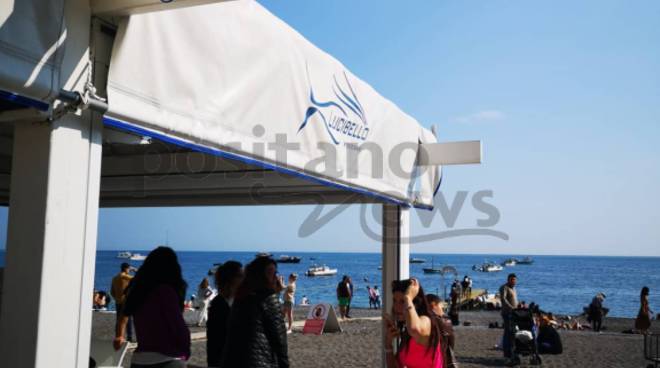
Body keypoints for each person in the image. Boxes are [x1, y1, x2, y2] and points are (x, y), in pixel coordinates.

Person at [113, 247, 190, 368]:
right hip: (168, 358)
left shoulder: (137, 290)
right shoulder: (165, 291)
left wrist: (119, 335)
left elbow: (123, 316)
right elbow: (178, 327)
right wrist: (185, 352)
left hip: (140, 360)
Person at [221, 256, 289, 368]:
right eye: (271, 273)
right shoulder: (268, 298)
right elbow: (279, 338)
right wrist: (284, 364)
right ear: (259, 275)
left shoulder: (241, 296)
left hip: (232, 360)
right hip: (259, 361)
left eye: (275, 273)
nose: (275, 278)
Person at [384, 278, 444, 367]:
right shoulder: (407, 332)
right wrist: (388, 345)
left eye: (402, 301)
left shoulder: (426, 321)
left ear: (415, 304)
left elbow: (414, 328)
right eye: (395, 301)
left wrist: (408, 297)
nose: (396, 306)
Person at [207, 261, 243, 368]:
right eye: (240, 275)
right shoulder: (218, 304)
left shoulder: (241, 301)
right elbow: (214, 339)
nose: (244, 279)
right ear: (231, 279)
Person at [111, 262, 134, 342]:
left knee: (119, 320)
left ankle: (118, 336)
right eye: (129, 269)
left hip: (118, 301)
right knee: (128, 320)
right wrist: (135, 270)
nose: (129, 270)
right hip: (125, 301)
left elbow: (112, 292)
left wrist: (117, 298)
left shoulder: (114, 278)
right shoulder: (125, 276)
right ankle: (129, 338)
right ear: (126, 268)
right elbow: (138, 279)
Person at [499, 273, 518, 364]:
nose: (513, 281)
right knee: (508, 333)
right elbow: (503, 299)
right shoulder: (504, 287)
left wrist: (518, 306)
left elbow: (514, 300)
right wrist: (511, 307)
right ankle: (507, 354)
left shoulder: (514, 288)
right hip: (507, 314)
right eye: (511, 279)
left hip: (514, 314)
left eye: (514, 280)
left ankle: (512, 352)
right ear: (508, 280)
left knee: (513, 333)